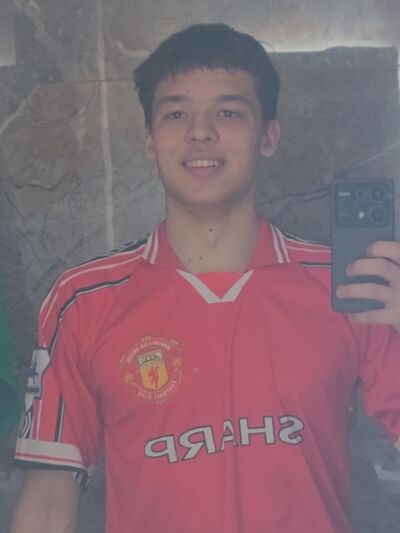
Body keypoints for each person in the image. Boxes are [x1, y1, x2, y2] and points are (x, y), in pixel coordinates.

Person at [11, 23, 400, 533]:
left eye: (228, 112)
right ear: (148, 139)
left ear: (268, 136)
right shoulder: (84, 300)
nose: (200, 132)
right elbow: (48, 499)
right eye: (176, 113)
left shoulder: (352, 284)